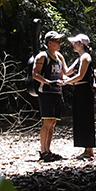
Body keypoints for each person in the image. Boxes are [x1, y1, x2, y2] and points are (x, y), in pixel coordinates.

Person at [33, 30, 69, 162]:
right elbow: (35, 74)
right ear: (49, 43)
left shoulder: (59, 57)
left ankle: (49, 150)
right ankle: (43, 151)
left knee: (53, 123)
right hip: (46, 93)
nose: (60, 44)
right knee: (47, 122)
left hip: (57, 93)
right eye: (57, 41)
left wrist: (67, 80)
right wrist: (49, 82)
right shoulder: (42, 56)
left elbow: (64, 73)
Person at [63, 33, 96, 159]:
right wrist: (59, 57)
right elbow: (67, 71)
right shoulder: (79, 59)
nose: (73, 45)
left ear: (81, 44)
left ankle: (89, 149)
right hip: (78, 90)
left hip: (84, 90)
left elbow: (80, 76)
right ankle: (86, 148)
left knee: (86, 118)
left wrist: (66, 82)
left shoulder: (86, 57)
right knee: (80, 118)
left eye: (75, 42)